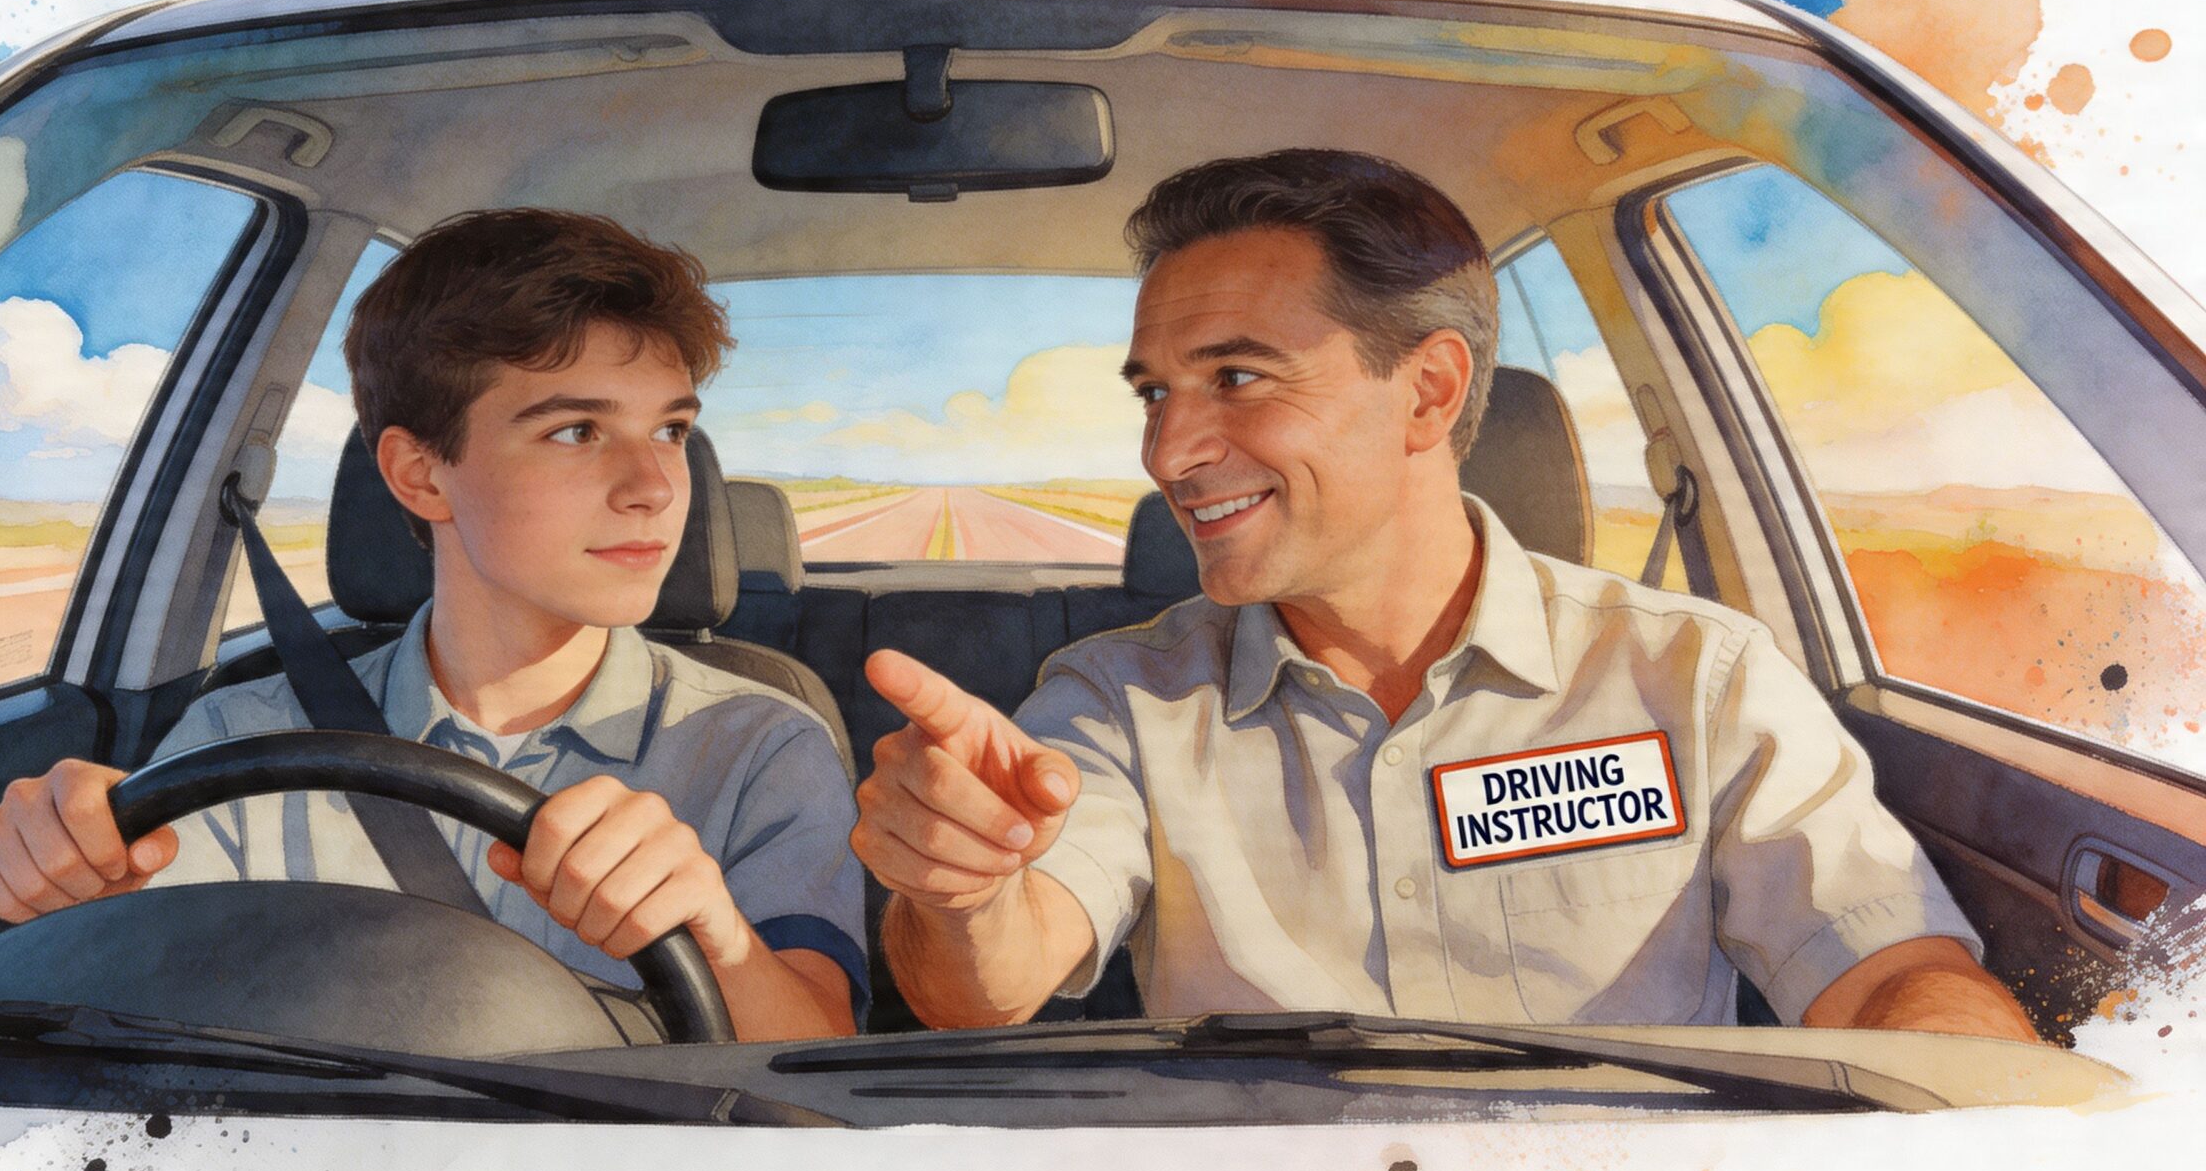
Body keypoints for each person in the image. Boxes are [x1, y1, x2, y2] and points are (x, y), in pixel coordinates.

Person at [852, 148, 2040, 1041]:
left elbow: (1887, 974)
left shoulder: (1695, 678)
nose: (1168, 454)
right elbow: (988, 986)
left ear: (1426, 393)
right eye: (1155, 393)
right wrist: (961, 893)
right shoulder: (1123, 696)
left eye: (1235, 376)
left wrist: (1982, 1124)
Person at [0, 208, 862, 1042]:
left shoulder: (759, 742)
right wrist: (31, 890)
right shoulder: (241, 738)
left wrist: (718, 935)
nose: (656, 486)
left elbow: (820, 1062)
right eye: (577, 432)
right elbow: (0, 1038)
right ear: (421, 476)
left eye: (669, 430)